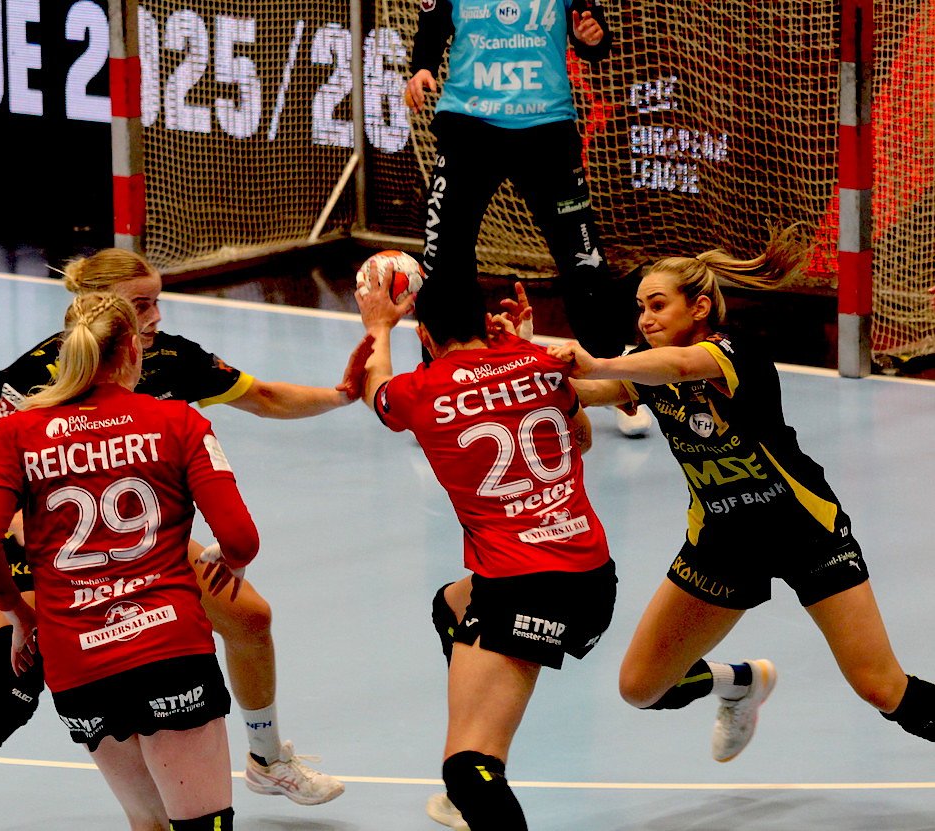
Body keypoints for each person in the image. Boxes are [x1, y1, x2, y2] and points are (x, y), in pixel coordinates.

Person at [0, 249, 348, 831]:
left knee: (250, 616)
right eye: (142, 304)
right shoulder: (36, 374)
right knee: (13, 690)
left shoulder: (173, 357)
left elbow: (262, 396)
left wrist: (345, 395)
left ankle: (267, 758)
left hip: (136, 537)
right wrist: (29, 535)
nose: (155, 315)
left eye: (158, 300)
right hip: (47, 543)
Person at [546, 225, 935, 764]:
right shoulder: (645, 365)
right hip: (722, 544)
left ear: (700, 307)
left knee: (881, 687)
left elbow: (680, 366)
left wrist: (599, 362)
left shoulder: (731, 352)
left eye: (657, 305)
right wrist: (526, 357)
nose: (646, 319)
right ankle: (740, 684)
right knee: (641, 687)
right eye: (640, 309)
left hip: (805, 533)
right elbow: (590, 391)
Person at [0, 289, 257, 830]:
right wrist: (232, 558)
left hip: (78, 660)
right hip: (169, 644)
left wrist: (19, 615)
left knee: (148, 823)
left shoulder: (15, 433)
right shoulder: (177, 421)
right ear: (133, 351)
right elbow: (241, 536)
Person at [350, 266, 617, 830]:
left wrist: (378, 325)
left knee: (467, 769)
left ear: (425, 336)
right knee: (450, 606)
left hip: (522, 586)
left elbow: (375, 389)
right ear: (485, 320)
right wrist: (518, 349)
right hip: (593, 579)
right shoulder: (538, 362)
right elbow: (585, 439)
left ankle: (475, 777)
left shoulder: (422, 391)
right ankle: (473, 759)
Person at [405, 0, 651, 437]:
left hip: (546, 130)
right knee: (444, 259)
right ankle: (439, 387)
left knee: (583, 259)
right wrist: (422, 67)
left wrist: (592, 39)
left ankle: (616, 383)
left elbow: (592, 31)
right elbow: (432, 23)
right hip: (468, 127)